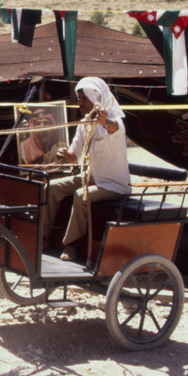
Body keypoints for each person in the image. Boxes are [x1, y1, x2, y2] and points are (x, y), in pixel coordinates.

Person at [45, 77, 130, 262]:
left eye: (83, 98)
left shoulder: (115, 121)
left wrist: (104, 122)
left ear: (95, 98)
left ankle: (72, 245)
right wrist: (64, 154)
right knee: (50, 188)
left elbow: (113, 128)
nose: (80, 103)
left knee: (81, 195)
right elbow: (74, 157)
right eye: (79, 98)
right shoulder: (85, 124)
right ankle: (43, 237)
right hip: (91, 177)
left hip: (113, 184)